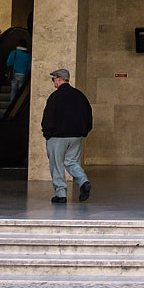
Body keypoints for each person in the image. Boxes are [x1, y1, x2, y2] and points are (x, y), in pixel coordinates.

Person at [42, 68, 92, 204]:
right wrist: (84, 131)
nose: (54, 82)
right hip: (76, 136)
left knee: (57, 165)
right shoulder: (79, 95)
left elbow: (48, 116)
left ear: (59, 79)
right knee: (72, 162)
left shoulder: (55, 97)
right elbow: (88, 114)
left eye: (54, 79)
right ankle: (83, 181)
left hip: (57, 137)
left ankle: (61, 194)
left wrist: (47, 134)